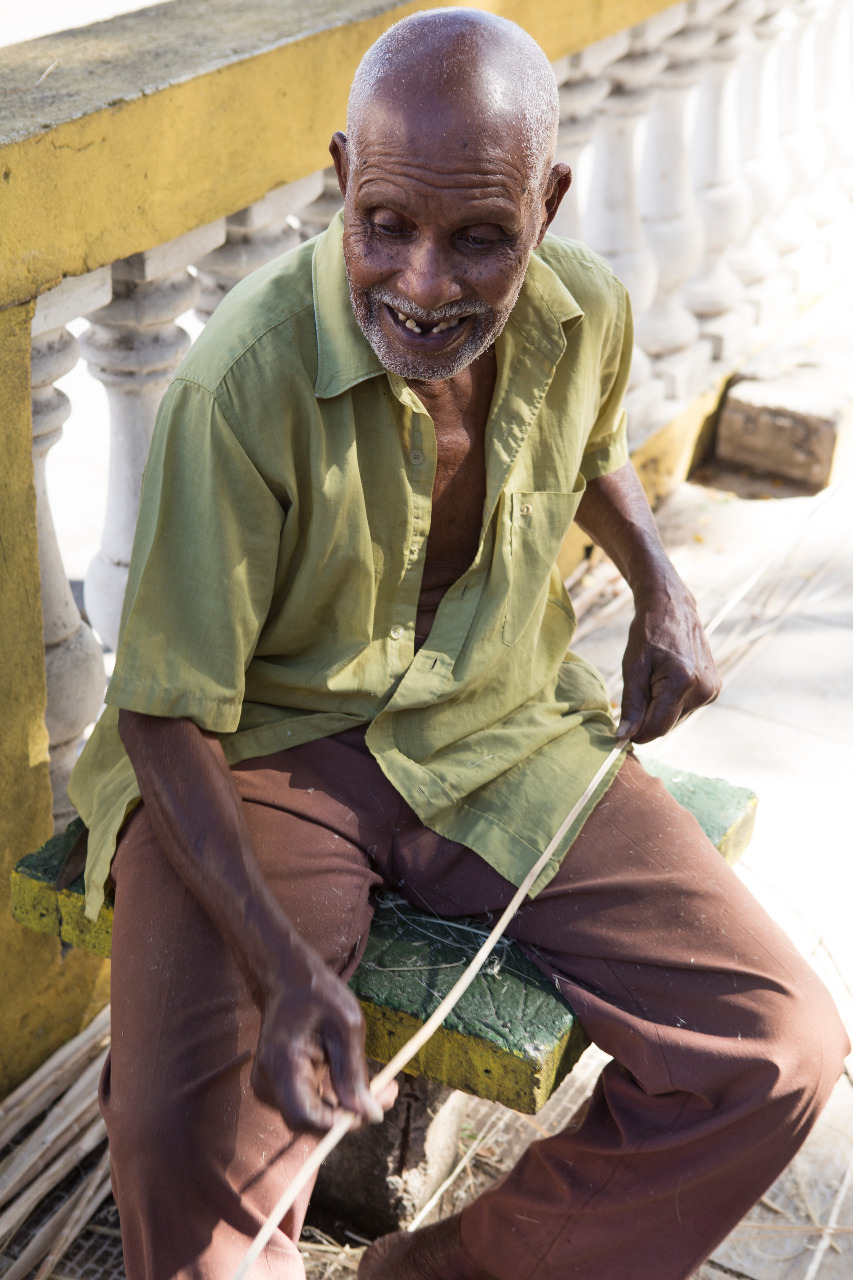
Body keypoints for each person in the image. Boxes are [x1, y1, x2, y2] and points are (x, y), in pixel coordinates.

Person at [69, 9, 848, 1280]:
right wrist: (278, 961)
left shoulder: (582, 309)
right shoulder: (239, 379)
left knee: (776, 1048)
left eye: (481, 238)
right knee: (178, 1141)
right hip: (260, 747)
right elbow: (164, 709)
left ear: (547, 202)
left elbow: (586, 445)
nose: (424, 285)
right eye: (386, 225)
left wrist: (662, 584)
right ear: (339, 179)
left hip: (498, 719)